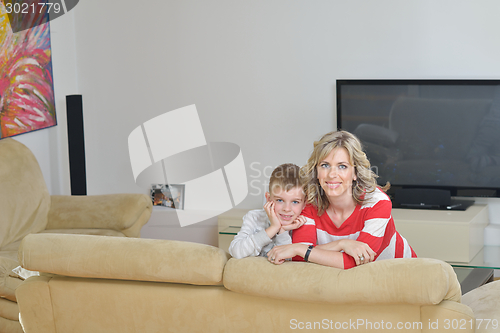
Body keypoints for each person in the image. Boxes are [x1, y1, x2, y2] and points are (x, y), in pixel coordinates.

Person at [266, 130, 416, 269]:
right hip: (352, 284)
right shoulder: (309, 202)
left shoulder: (376, 202)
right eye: (325, 165)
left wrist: (298, 248)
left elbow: (357, 260)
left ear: (355, 173)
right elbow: (300, 260)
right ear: (317, 171)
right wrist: (342, 244)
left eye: (342, 166)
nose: (332, 174)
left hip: (400, 274)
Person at [228, 163, 307, 259]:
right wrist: (273, 228)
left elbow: (289, 266)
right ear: (268, 199)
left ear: (304, 203)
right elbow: (236, 251)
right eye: (280, 200)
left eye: (295, 202)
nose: (287, 209)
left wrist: (282, 232)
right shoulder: (254, 217)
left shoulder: (302, 224)